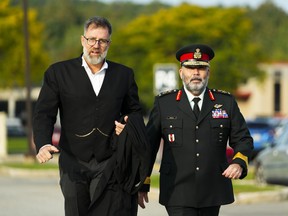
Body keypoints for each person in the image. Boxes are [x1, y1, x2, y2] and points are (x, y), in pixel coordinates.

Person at [33, 16, 149, 216]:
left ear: (109, 43)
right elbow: (44, 114)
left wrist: (128, 126)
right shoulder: (58, 73)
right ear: (82, 40)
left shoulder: (124, 75)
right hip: (73, 160)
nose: (96, 45)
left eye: (102, 41)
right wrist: (43, 143)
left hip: (109, 160)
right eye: (92, 39)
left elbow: (134, 112)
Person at [138, 44, 254, 216]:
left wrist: (239, 162)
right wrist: (143, 183)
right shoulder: (165, 104)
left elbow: (243, 139)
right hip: (177, 190)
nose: (196, 73)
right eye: (190, 68)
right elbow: (149, 146)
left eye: (201, 68)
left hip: (213, 189)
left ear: (208, 72)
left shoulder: (225, 102)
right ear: (181, 72)